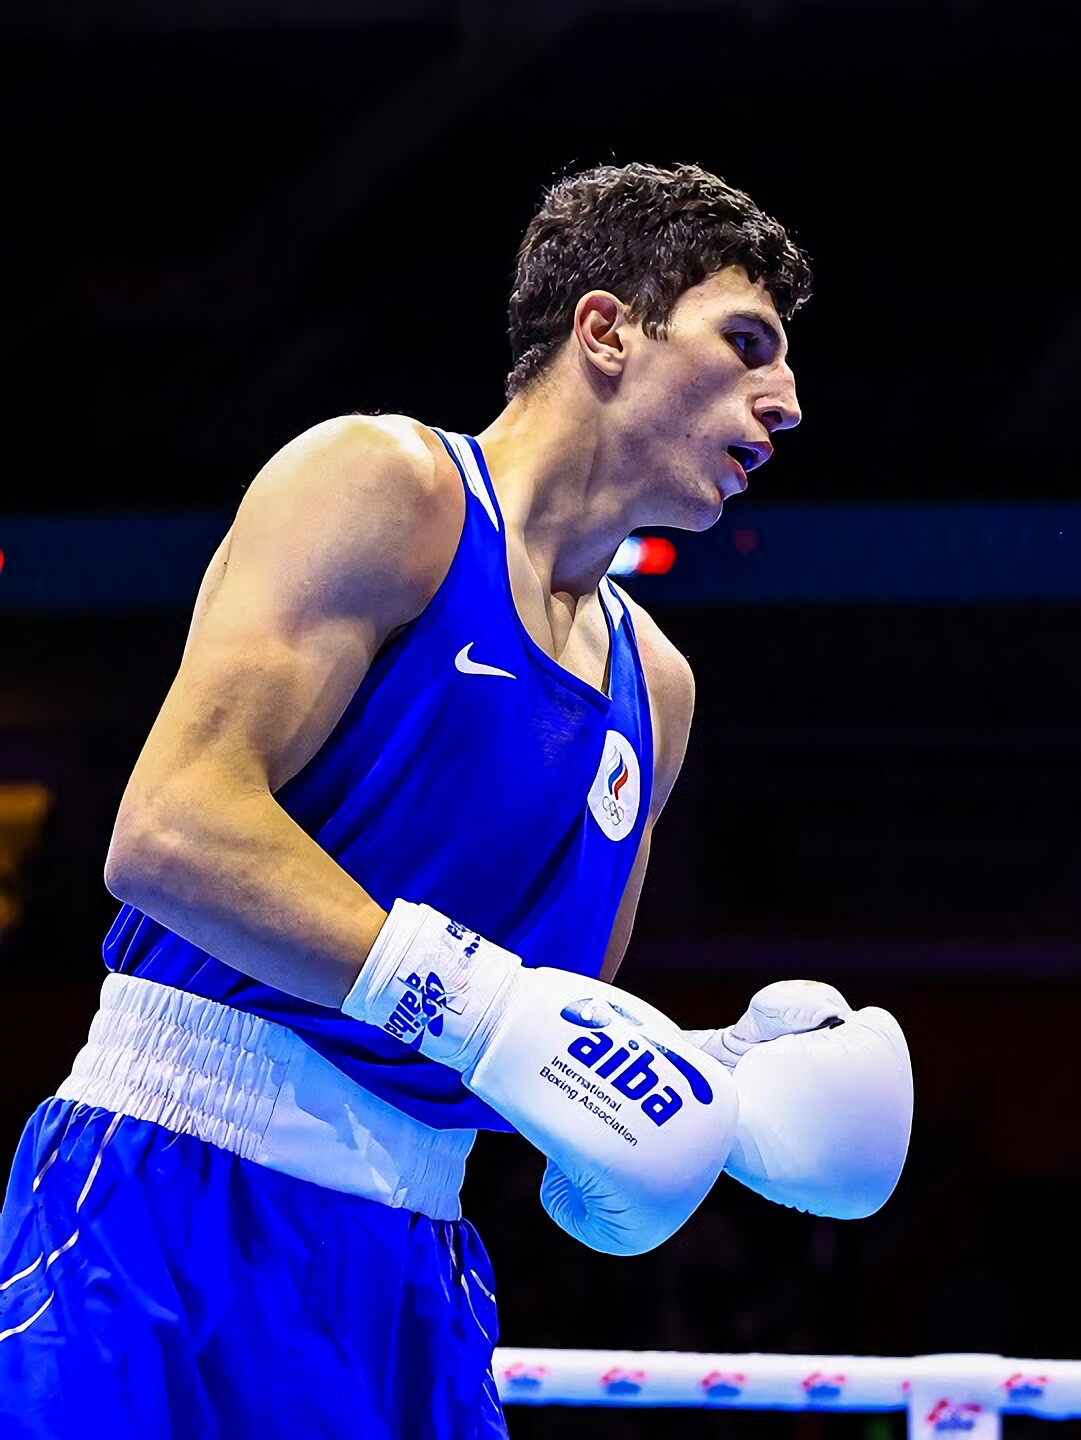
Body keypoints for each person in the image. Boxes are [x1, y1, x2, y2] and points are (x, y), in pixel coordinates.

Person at [0, 162, 912, 1438]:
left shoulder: (659, 688)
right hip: (173, 1195)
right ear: (606, 330)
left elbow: (537, 1022)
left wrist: (717, 1099)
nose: (790, 400)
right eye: (746, 343)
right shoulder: (387, 487)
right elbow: (171, 830)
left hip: (417, 1257)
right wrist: (482, 1011)